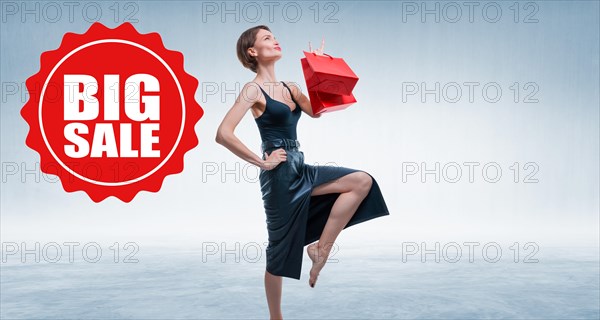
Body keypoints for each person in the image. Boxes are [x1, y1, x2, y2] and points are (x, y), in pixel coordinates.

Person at [215, 25, 390, 319]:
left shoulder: (290, 88)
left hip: (301, 166)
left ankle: (320, 249)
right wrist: (262, 162)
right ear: (252, 52)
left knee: (361, 182)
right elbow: (223, 134)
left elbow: (322, 109)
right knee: (279, 251)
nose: (275, 40)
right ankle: (276, 317)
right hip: (279, 177)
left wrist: (319, 68)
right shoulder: (252, 90)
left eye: (274, 35)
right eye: (267, 38)